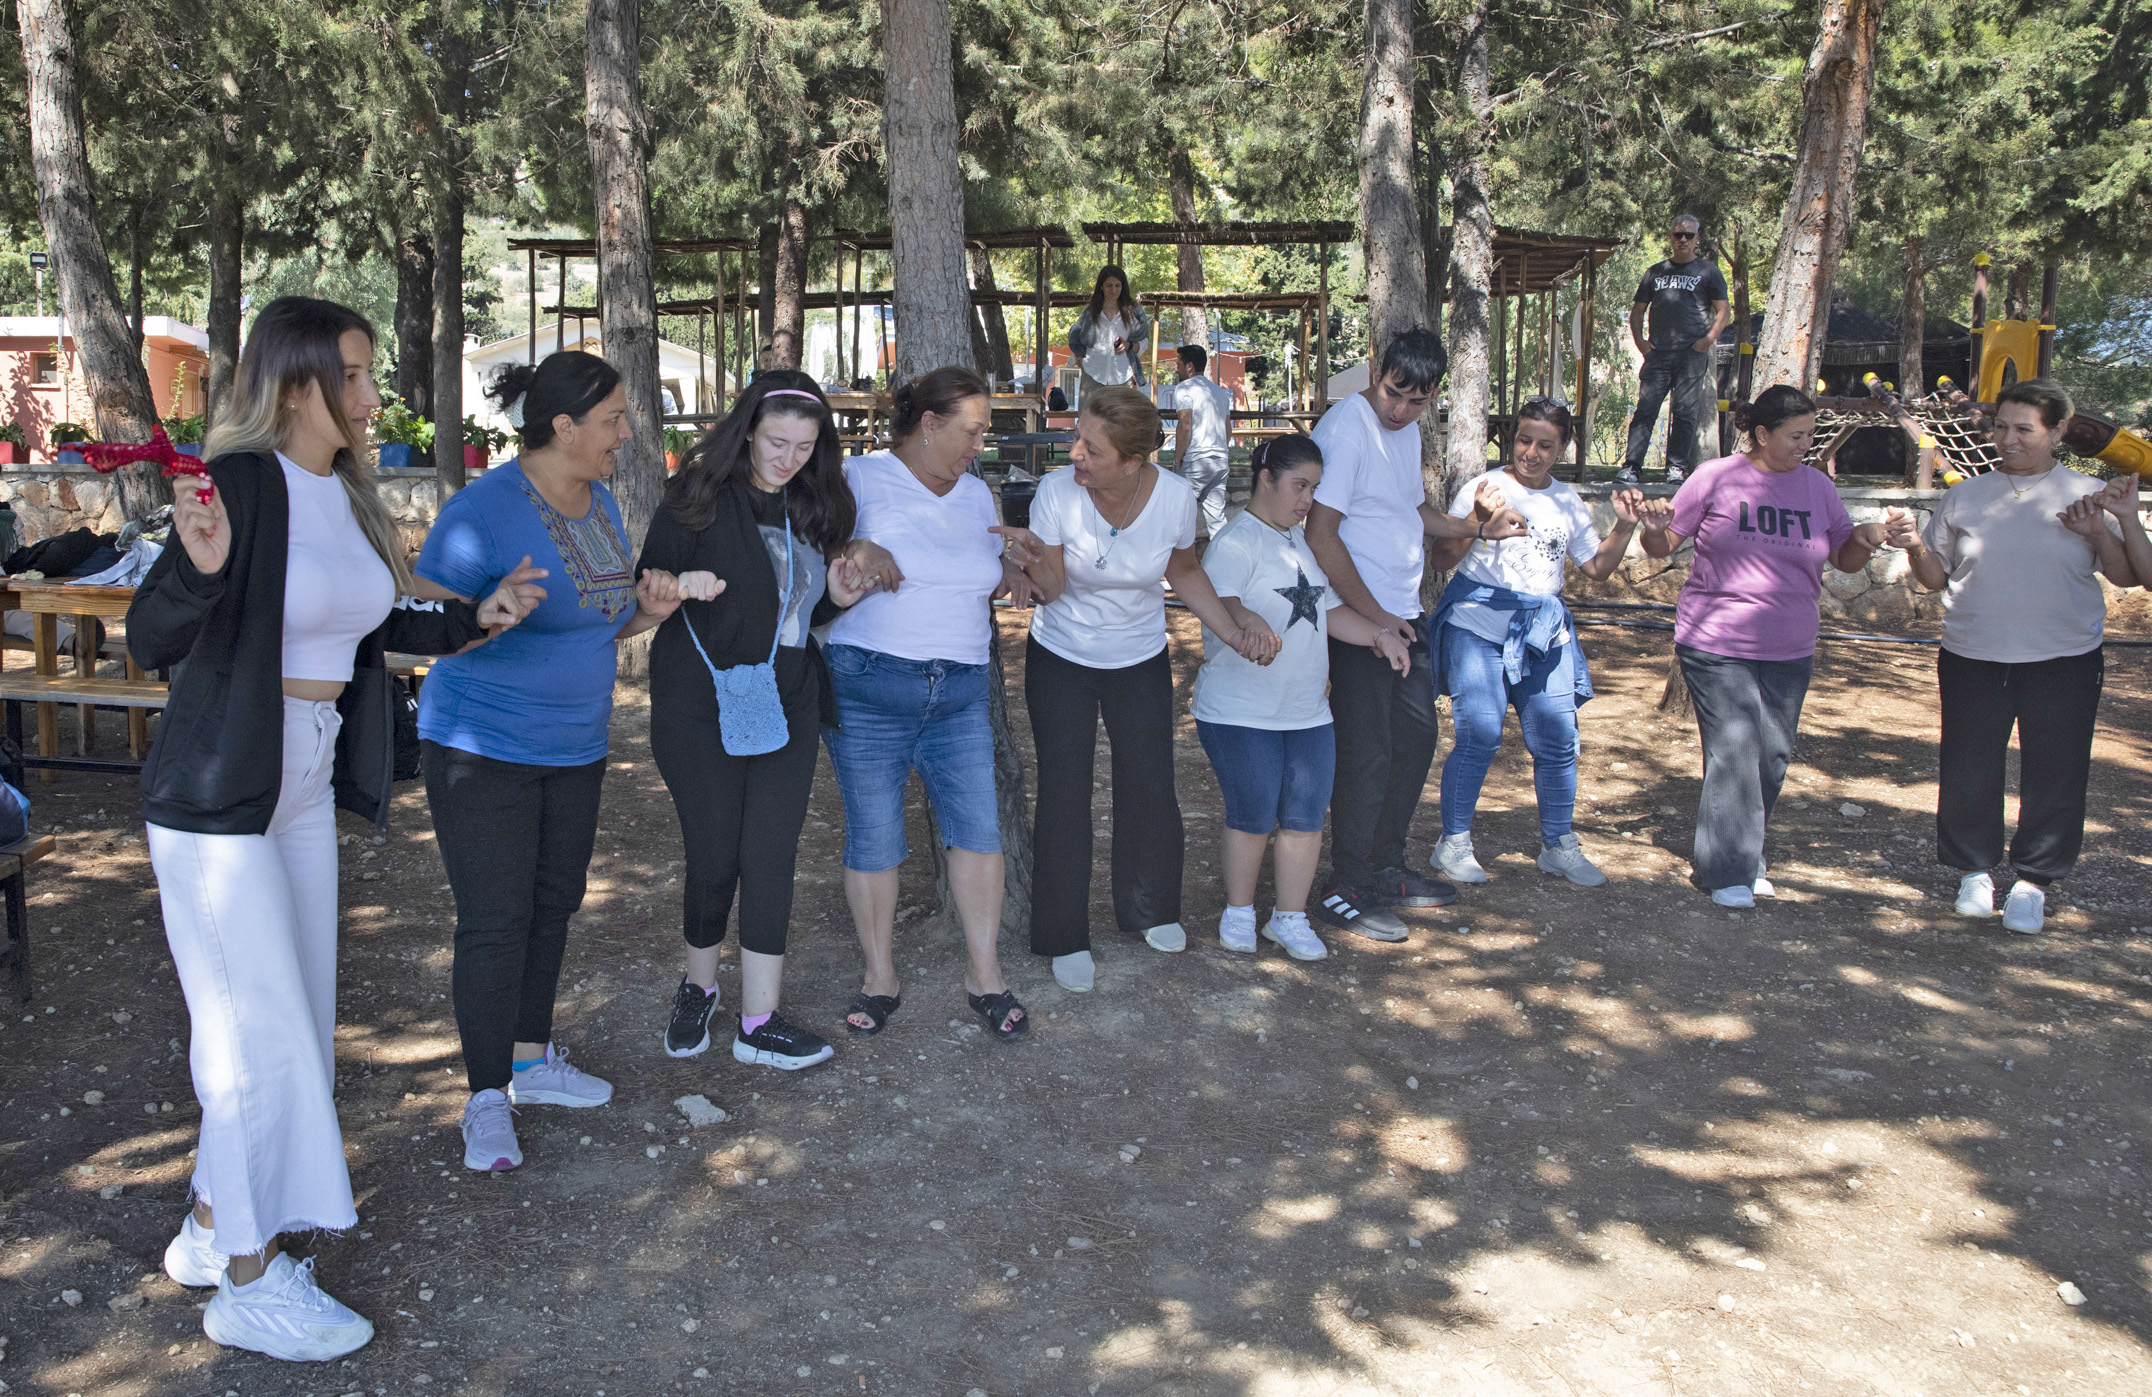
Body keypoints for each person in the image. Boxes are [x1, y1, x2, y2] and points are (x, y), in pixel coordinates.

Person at [133, 297, 536, 1360]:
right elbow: (150, 632)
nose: (370, 393)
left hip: (303, 781)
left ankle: (215, 1222)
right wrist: (199, 565)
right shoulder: (242, 483)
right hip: (221, 794)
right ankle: (251, 1280)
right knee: (250, 1032)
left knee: (296, 1020)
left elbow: (375, 620)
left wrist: (475, 617)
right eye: (354, 375)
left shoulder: (345, 491)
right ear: (300, 383)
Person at [414, 351, 696, 1173]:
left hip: (576, 745)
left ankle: (531, 1063)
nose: (626, 432)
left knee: (553, 902)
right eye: (612, 418)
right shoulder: (484, 510)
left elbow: (596, 625)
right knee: (496, 919)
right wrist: (484, 608)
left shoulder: (602, 502)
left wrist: (646, 612)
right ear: (564, 426)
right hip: (482, 748)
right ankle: (484, 1096)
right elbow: (423, 618)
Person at [640, 371, 882, 1070]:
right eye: (777, 441)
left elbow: (803, 615)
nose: (788, 457)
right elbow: (650, 586)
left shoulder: (816, 505)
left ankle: (759, 1018)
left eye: (804, 446)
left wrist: (836, 597)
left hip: (790, 698)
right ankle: (699, 985)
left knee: (769, 853)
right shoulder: (697, 497)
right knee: (715, 854)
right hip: (701, 701)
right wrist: (672, 587)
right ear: (748, 427)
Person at [998, 385, 1277, 992]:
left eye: (1091, 450)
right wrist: (1027, 560)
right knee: (1066, 791)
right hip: (1063, 656)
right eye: (1076, 439)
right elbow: (1052, 588)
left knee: (1150, 781)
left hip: (1141, 656)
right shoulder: (1055, 494)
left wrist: (1229, 629)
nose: (1074, 454)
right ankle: (1063, 934)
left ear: (1133, 461)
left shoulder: (1174, 498)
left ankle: (1150, 909)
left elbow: (1182, 569)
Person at [1638, 384, 1910, 907]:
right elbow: (1661, 545)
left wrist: (1868, 536)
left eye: (1811, 434)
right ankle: (1727, 872)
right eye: (1797, 435)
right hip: (1716, 641)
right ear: (1761, 434)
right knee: (1735, 746)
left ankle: (1746, 847)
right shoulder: (1715, 478)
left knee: (1773, 754)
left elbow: (1843, 560)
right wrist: (1652, 529)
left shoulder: (1816, 487)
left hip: (1791, 644)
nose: (1807, 444)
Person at [823, 366, 1032, 1038]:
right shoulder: (861, 477)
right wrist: (855, 545)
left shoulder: (977, 496)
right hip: (868, 688)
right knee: (876, 838)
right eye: (972, 430)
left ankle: (985, 973)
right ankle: (879, 974)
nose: (980, 444)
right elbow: (818, 552)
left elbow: (977, 573)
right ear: (930, 423)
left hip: (962, 691)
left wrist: (1017, 566)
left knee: (979, 835)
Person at [1304, 327, 1525, 941]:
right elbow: (1322, 533)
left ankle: (1385, 865)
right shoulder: (1348, 429)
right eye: (1394, 393)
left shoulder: (1406, 432)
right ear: (1379, 372)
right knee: (1368, 752)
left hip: (1402, 613)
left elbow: (1410, 510)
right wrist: (1374, 621)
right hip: (1360, 620)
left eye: (1417, 401)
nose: (1401, 410)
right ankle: (1345, 882)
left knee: (1414, 742)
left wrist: (1476, 528)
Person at [1898, 380, 2138, 933]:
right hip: (1972, 655)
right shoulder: (1966, 495)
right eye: (2001, 426)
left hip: (2064, 658)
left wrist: (2098, 533)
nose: (2008, 438)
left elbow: (2126, 575)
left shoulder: (2087, 490)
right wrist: (1913, 546)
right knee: (1967, 766)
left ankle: (2033, 882)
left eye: (2024, 429)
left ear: (2056, 432)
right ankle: (1974, 874)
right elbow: (1935, 578)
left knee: (2057, 770)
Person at [1193, 434, 1410, 959]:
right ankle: (1239, 912)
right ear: (1265, 479)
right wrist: (1248, 622)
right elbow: (1221, 600)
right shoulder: (1237, 541)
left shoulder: (1298, 542)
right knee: (1253, 814)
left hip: (1307, 710)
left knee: (1306, 816)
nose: (1307, 499)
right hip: (1242, 711)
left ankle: (1288, 918)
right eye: (1299, 486)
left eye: (1314, 488)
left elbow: (1326, 610)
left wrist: (1379, 635)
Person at [1425, 399, 1643, 889]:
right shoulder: (1483, 488)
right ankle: (1453, 841)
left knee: (1557, 740)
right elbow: (1441, 560)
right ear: (1512, 438)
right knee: (1479, 733)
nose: (1531, 453)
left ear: (1563, 447)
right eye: (1524, 440)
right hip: (1476, 623)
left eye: (1546, 444)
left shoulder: (1567, 501)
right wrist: (1478, 524)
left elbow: (1597, 568)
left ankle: (1558, 844)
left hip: (1543, 631)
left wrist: (1625, 526)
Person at [1618, 214, 1732, 486]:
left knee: (1684, 412)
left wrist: (1708, 340)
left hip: (1691, 354)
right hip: (1658, 353)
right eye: (1678, 235)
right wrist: (1640, 342)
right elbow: (1637, 312)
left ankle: (1676, 469)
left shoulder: (1708, 272)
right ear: (1670, 237)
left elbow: (1724, 310)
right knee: (1646, 409)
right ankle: (1632, 467)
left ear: (1697, 239)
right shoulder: (1655, 272)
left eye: (1689, 235)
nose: (1683, 240)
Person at [1170, 344, 1235, 539]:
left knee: (1176, 514)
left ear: (1189, 367)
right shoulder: (1219, 392)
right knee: (1217, 519)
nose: (1176, 369)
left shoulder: (1184, 388)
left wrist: (1177, 459)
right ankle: (1226, 559)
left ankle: (1173, 562)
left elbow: (1185, 425)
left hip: (1197, 460)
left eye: (1178, 364)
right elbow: (1228, 431)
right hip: (1220, 460)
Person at [1068, 265, 1149, 403]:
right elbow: (1075, 335)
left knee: (1120, 422)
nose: (1114, 290)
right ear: (1101, 287)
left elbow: (1144, 342)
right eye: (1109, 286)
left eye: (1118, 285)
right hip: (1092, 374)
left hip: (1122, 375)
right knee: (1089, 421)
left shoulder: (1133, 311)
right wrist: (1081, 359)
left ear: (1123, 286)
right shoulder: (1090, 311)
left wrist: (1128, 345)